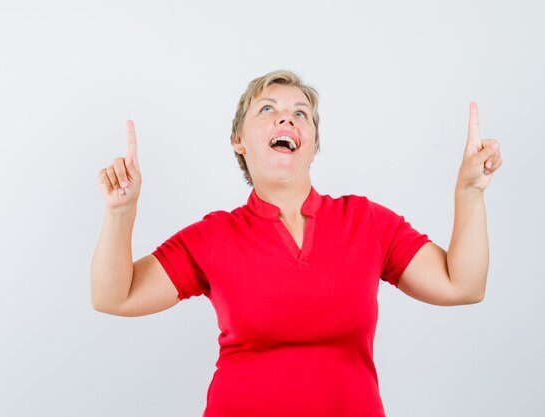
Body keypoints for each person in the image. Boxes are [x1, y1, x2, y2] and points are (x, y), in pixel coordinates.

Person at [91, 70, 503, 416]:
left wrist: (469, 192)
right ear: (239, 140)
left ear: (312, 143)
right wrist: (119, 213)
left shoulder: (367, 222)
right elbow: (116, 297)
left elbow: (462, 285)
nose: (285, 119)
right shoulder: (214, 236)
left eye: (300, 114)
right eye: (267, 109)